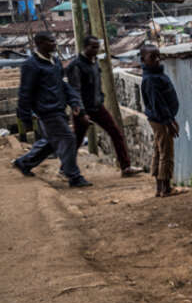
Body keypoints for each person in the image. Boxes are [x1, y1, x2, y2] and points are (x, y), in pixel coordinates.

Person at [11, 31, 93, 187]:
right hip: (47, 111)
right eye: (51, 41)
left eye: (54, 40)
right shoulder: (31, 65)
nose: (55, 43)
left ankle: (24, 163)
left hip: (59, 109)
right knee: (68, 139)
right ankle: (73, 176)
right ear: (40, 43)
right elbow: (25, 92)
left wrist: (74, 103)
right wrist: (25, 116)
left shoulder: (54, 62)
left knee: (51, 142)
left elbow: (62, 85)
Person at [66, 35, 142, 177]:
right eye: (92, 47)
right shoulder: (76, 66)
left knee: (116, 133)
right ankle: (65, 167)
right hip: (82, 109)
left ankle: (126, 167)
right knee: (77, 139)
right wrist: (81, 113)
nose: (96, 50)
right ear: (84, 47)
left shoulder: (94, 62)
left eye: (97, 47)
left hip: (97, 106)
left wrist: (100, 98)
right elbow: (75, 91)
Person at [140, 45, 181, 197]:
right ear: (143, 59)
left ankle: (159, 188)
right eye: (153, 57)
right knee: (166, 152)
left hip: (159, 119)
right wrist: (169, 121)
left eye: (158, 56)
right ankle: (166, 188)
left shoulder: (154, 75)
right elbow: (159, 104)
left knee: (159, 151)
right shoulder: (151, 79)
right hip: (161, 120)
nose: (157, 60)